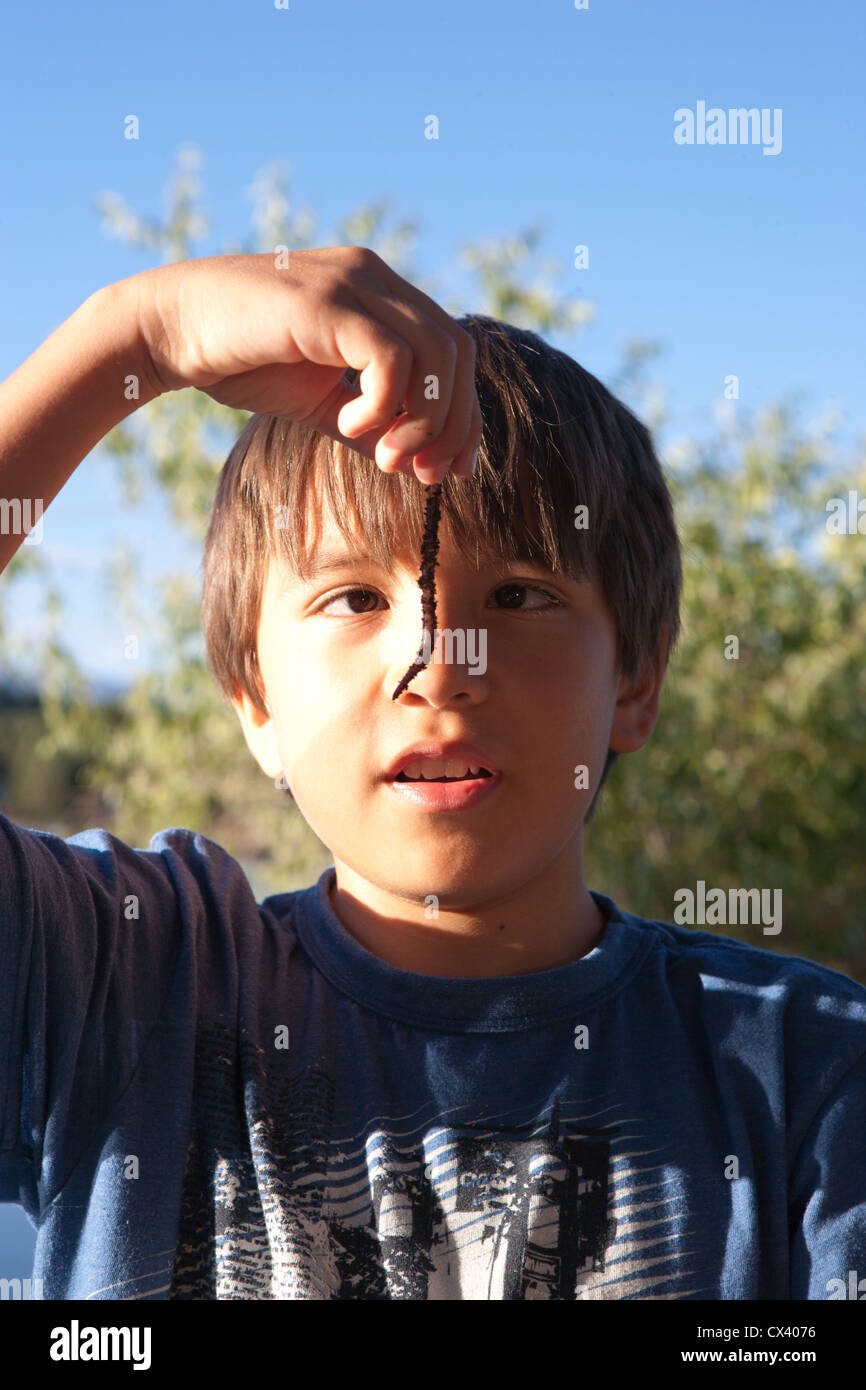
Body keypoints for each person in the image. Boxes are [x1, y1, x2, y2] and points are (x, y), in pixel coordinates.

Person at [0, 248, 863, 1300]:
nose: (438, 664)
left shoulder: (808, 1076)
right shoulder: (122, 988)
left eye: (519, 596)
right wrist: (136, 338)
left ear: (634, 681)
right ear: (255, 702)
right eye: (353, 600)